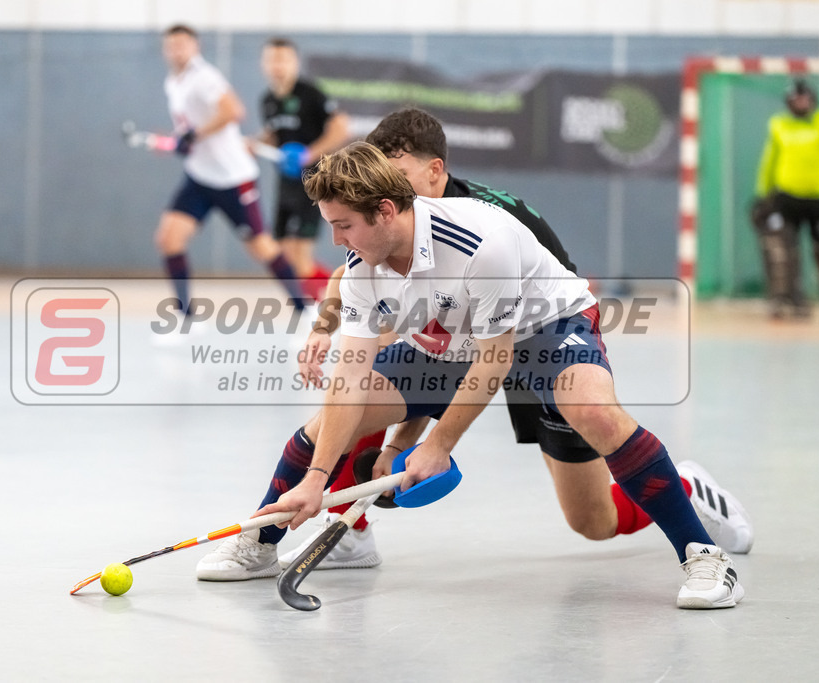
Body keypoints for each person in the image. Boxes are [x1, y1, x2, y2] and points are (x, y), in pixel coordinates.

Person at [196, 141, 746, 610]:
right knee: (336, 417)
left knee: (594, 431)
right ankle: (260, 542)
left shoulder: (477, 243)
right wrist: (317, 479)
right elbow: (350, 378)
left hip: (546, 325)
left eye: (344, 226)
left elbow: (495, 358)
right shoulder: (366, 269)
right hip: (451, 336)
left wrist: (437, 444)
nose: (336, 243)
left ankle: (705, 556)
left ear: (386, 211)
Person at [155, 25, 306, 321]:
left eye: (183, 44)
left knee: (261, 247)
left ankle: (305, 307)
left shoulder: (205, 77)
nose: (177, 50)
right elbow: (191, 128)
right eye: (171, 45)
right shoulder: (173, 81)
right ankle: (185, 316)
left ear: (195, 47)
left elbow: (233, 111)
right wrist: (180, 141)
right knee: (169, 238)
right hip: (199, 177)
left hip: (233, 179)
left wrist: (194, 135)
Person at [753, 78, 819, 320]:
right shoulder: (779, 124)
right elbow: (769, 161)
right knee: (781, 249)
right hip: (787, 199)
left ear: (812, 100)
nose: (801, 103)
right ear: (789, 102)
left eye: (805, 99)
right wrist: (763, 195)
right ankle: (785, 298)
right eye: (796, 99)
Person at [258, 37, 351, 302]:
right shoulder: (268, 100)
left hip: (312, 183)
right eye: (272, 59)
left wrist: (309, 153)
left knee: (301, 258)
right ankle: (331, 298)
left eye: (283, 59)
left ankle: (330, 303)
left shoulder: (311, 94)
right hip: (286, 184)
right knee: (285, 255)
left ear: (295, 62)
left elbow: (341, 128)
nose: (278, 65)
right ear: (263, 64)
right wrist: (253, 143)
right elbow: (273, 135)